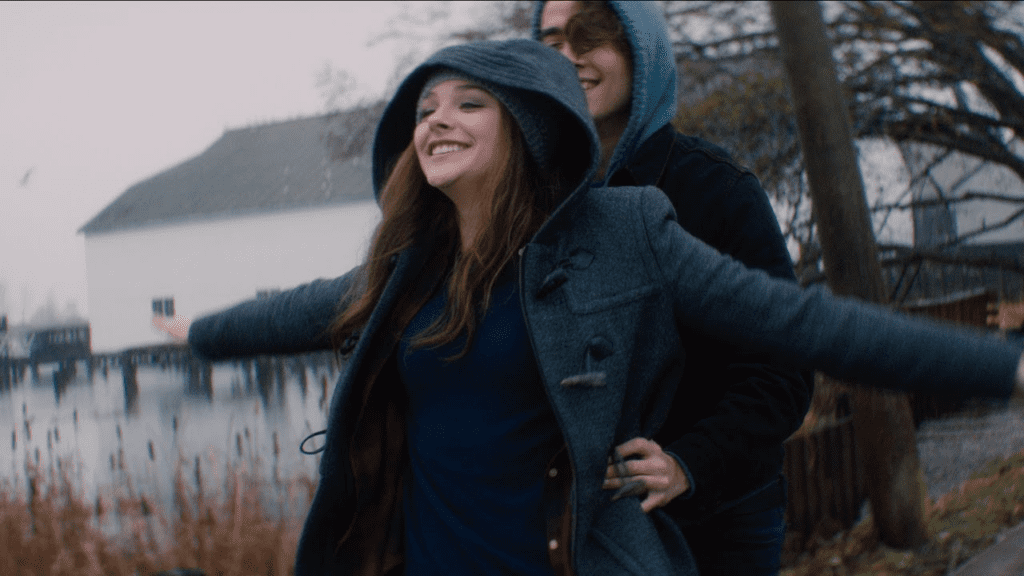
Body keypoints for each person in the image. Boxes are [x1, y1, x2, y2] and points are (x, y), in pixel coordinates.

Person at [159, 39, 1024, 576]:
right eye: (424, 110)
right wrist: (198, 332)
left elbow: (805, 325)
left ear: (530, 127)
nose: (436, 122)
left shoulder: (627, 231)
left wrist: (1002, 366)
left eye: (468, 103)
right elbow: (296, 312)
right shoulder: (408, 270)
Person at [533, 2, 810, 573]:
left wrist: (688, 464)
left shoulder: (717, 190)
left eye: (590, 36)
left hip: (716, 522)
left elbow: (784, 367)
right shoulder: (533, 203)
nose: (569, 57)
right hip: (584, 528)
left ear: (643, 49)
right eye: (551, 43)